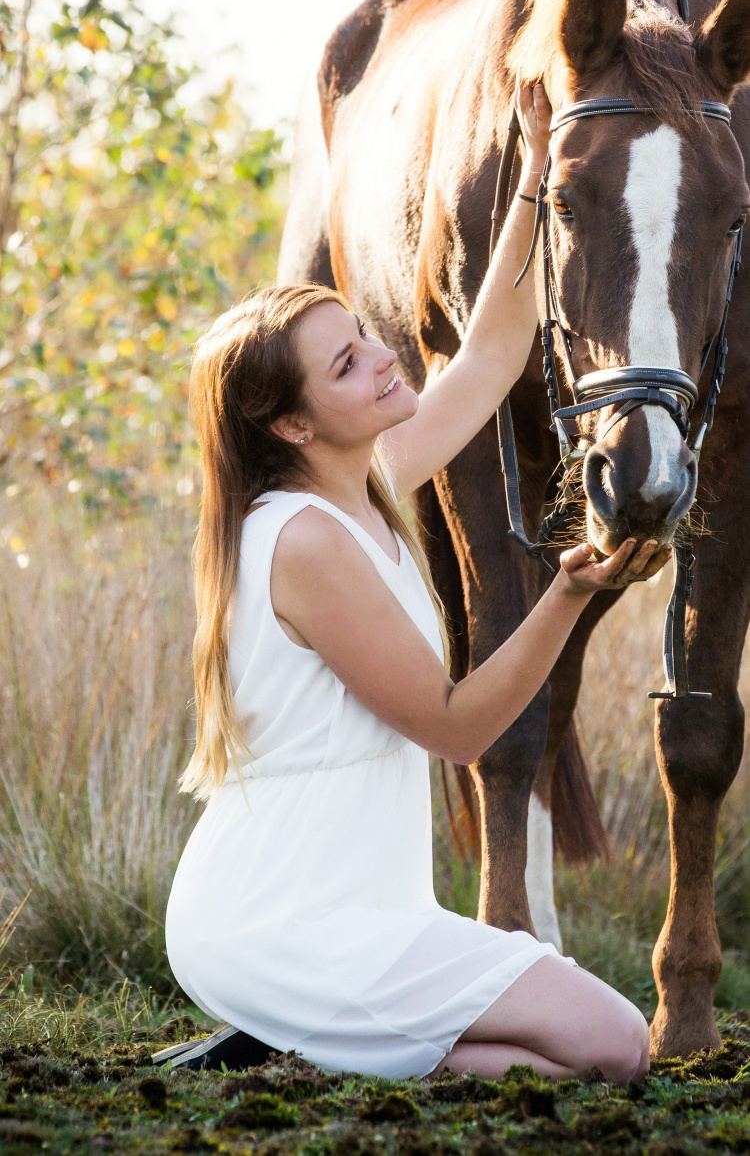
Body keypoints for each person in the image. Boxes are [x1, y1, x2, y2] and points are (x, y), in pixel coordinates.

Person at [163, 81, 665, 1083]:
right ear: (293, 424)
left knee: (588, 1050)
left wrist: (534, 176)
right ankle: (306, 1034)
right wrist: (565, 596)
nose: (384, 359)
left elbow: (491, 354)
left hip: (362, 912)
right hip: (284, 918)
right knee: (613, 1045)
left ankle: (306, 1047)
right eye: (348, 365)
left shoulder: (364, 484)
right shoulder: (303, 539)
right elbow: (456, 727)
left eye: (363, 335)